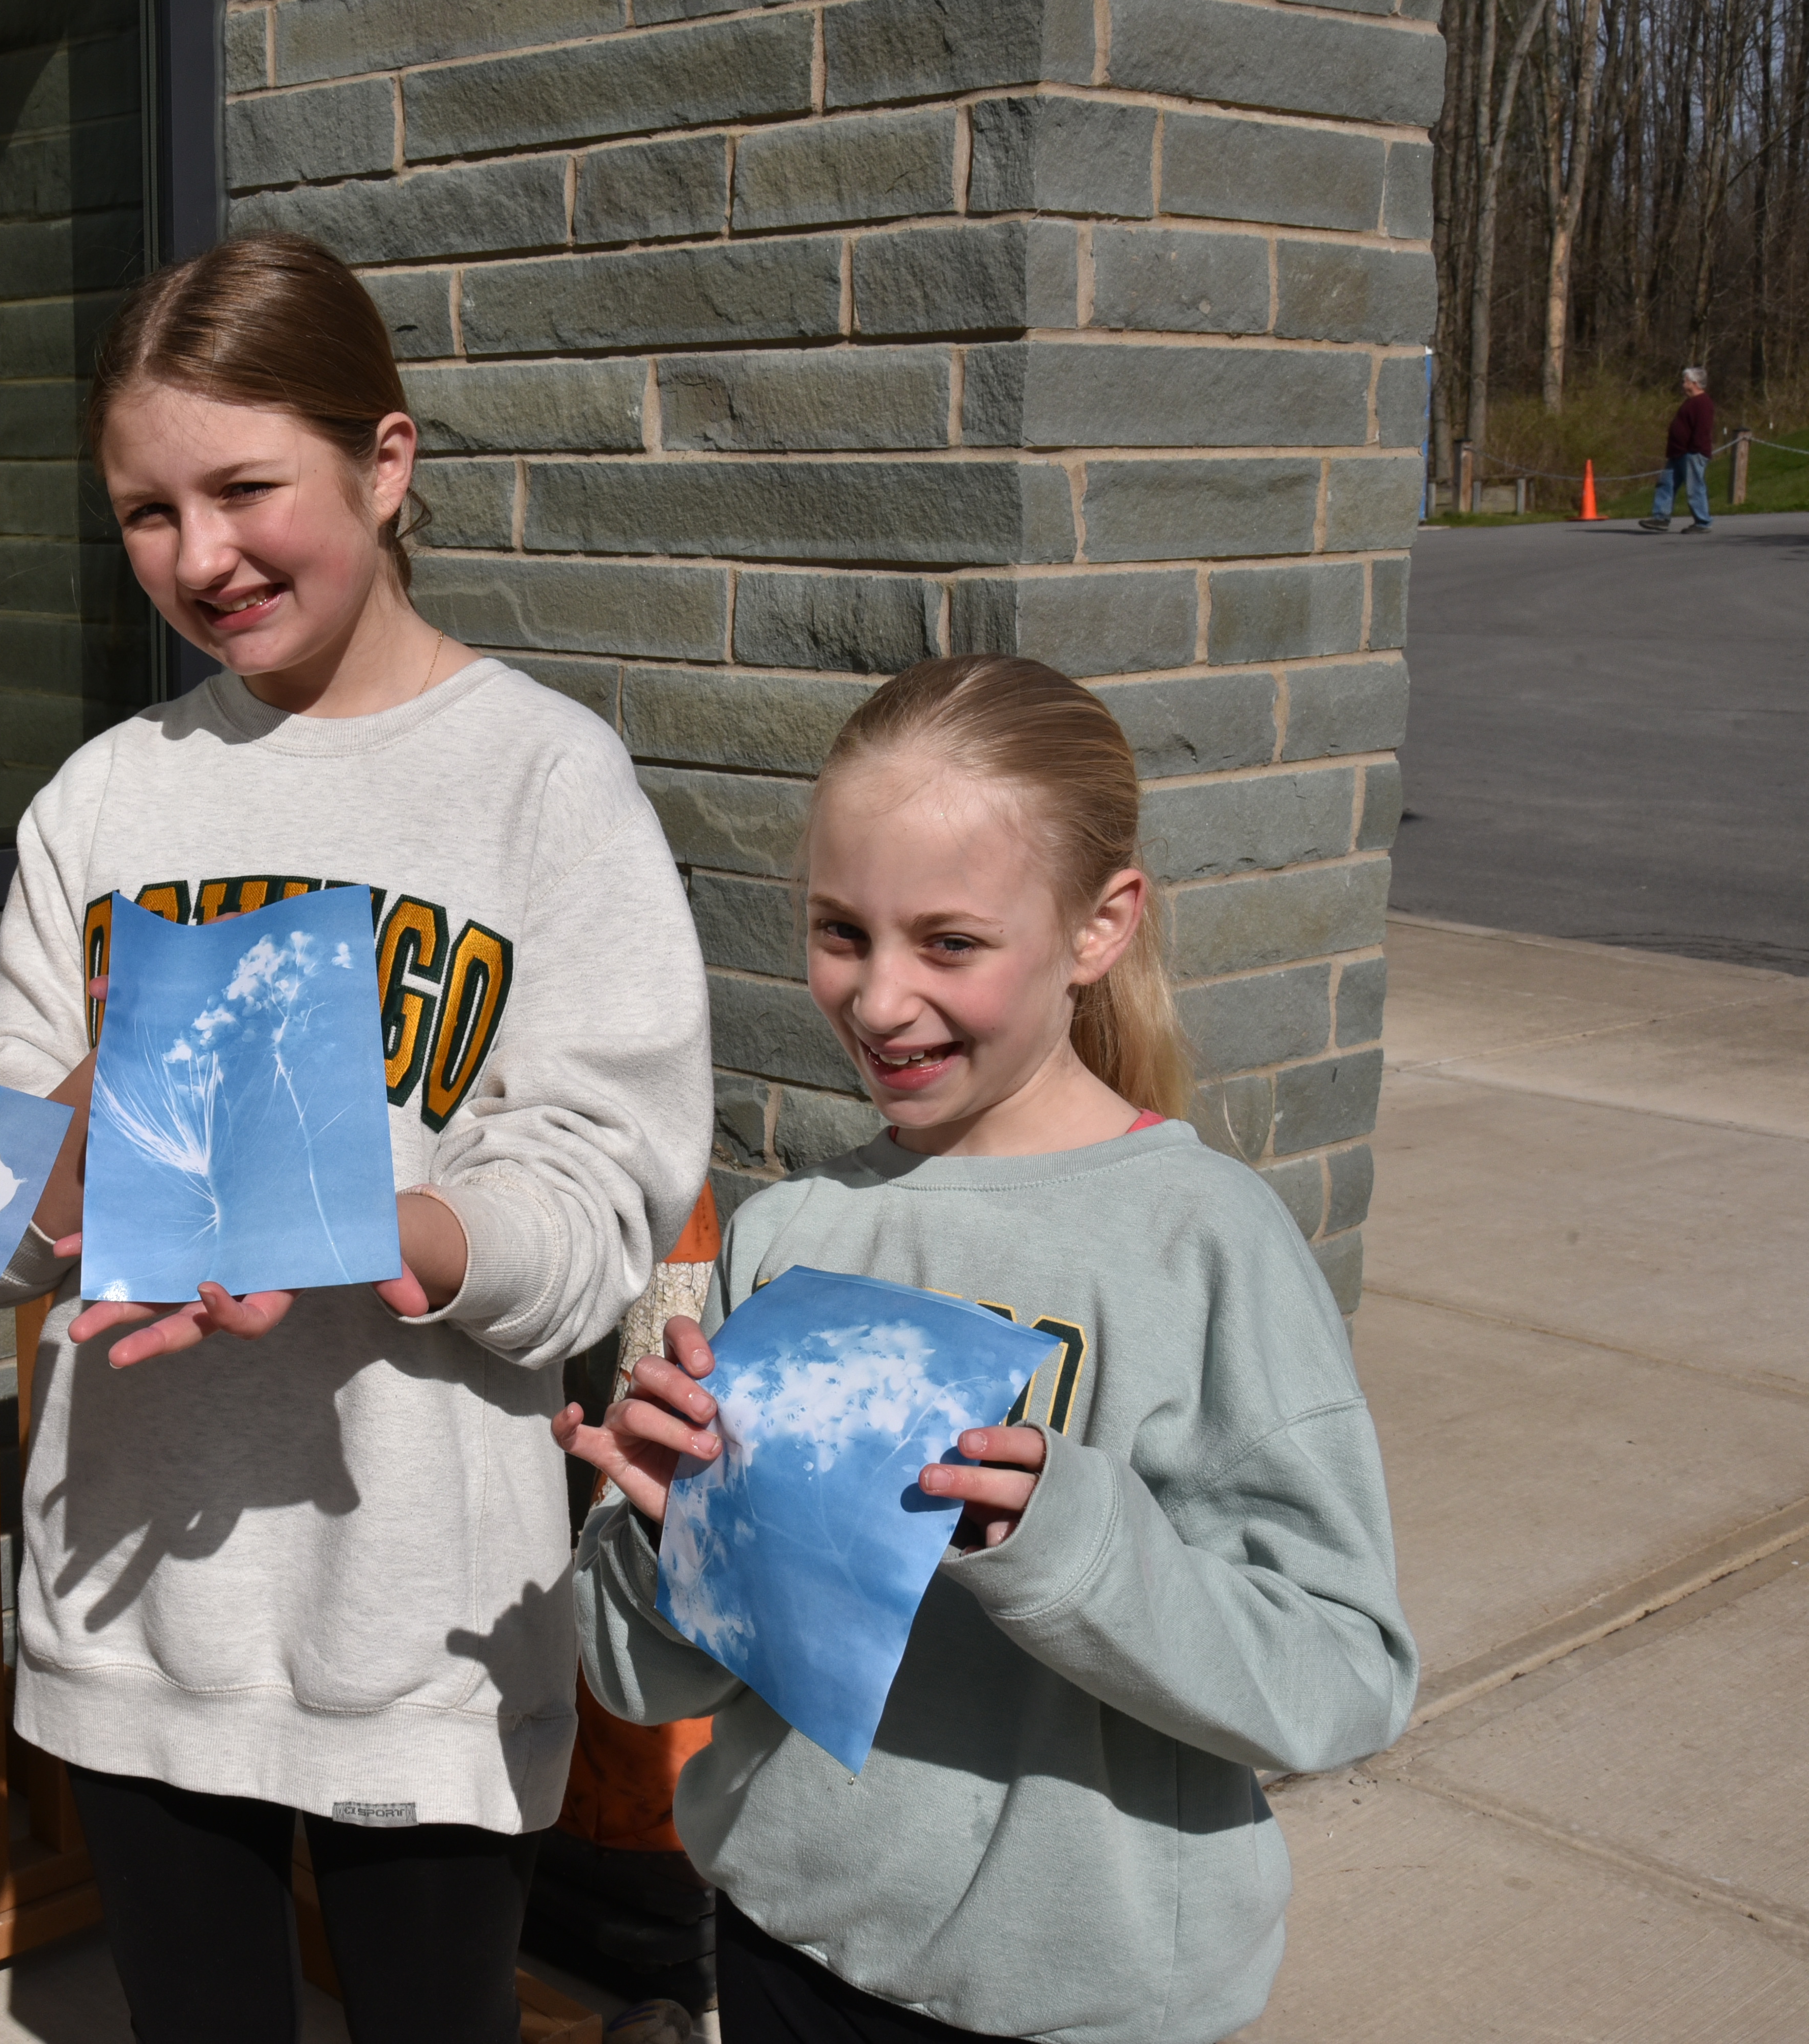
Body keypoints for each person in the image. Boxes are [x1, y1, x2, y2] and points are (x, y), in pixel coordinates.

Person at [0, 232, 713, 2044]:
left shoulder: (543, 781)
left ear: (382, 462)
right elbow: (15, 1174)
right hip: (139, 1612)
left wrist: (412, 1234)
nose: (198, 557)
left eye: (241, 488)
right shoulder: (107, 797)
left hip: (422, 1618)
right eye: (146, 512)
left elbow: (607, 1185)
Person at [558, 657, 1415, 2044]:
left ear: (1100, 926)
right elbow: (651, 1678)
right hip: (788, 1944)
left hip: (1087, 2001)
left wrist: (1071, 1538)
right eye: (843, 931)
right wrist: (664, 1547)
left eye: (949, 942)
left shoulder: (1203, 1245)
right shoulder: (790, 1233)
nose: (881, 999)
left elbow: (1343, 1676)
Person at [1641, 365, 1716, 531]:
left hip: (1692, 453)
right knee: (1666, 484)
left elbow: (1703, 429)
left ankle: (1703, 522)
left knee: (1695, 488)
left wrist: (1695, 449)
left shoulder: (1703, 403)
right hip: (1678, 452)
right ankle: (1660, 517)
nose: (1683, 384)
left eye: (1686, 381)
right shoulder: (1690, 402)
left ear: (1695, 383)